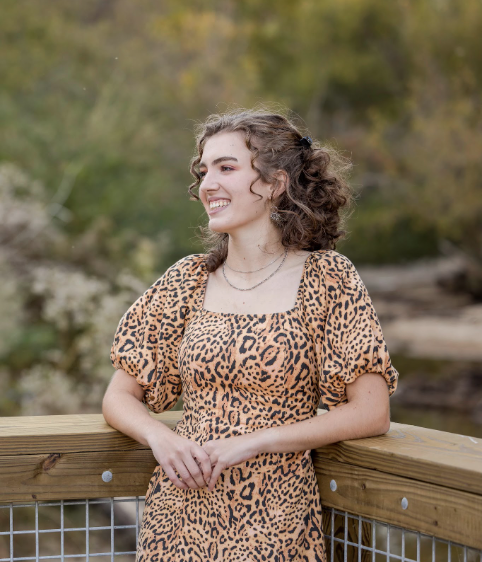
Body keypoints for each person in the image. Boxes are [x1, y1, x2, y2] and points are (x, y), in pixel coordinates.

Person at [102, 106, 399, 562]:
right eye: (204, 171)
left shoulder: (328, 278)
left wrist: (257, 440)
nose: (207, 184)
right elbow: (119, 397)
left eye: (226, 168)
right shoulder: (187, 280)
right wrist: (160, 438)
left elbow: (372, 411)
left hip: (275, 515)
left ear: (276, 182)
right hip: (177, 515)